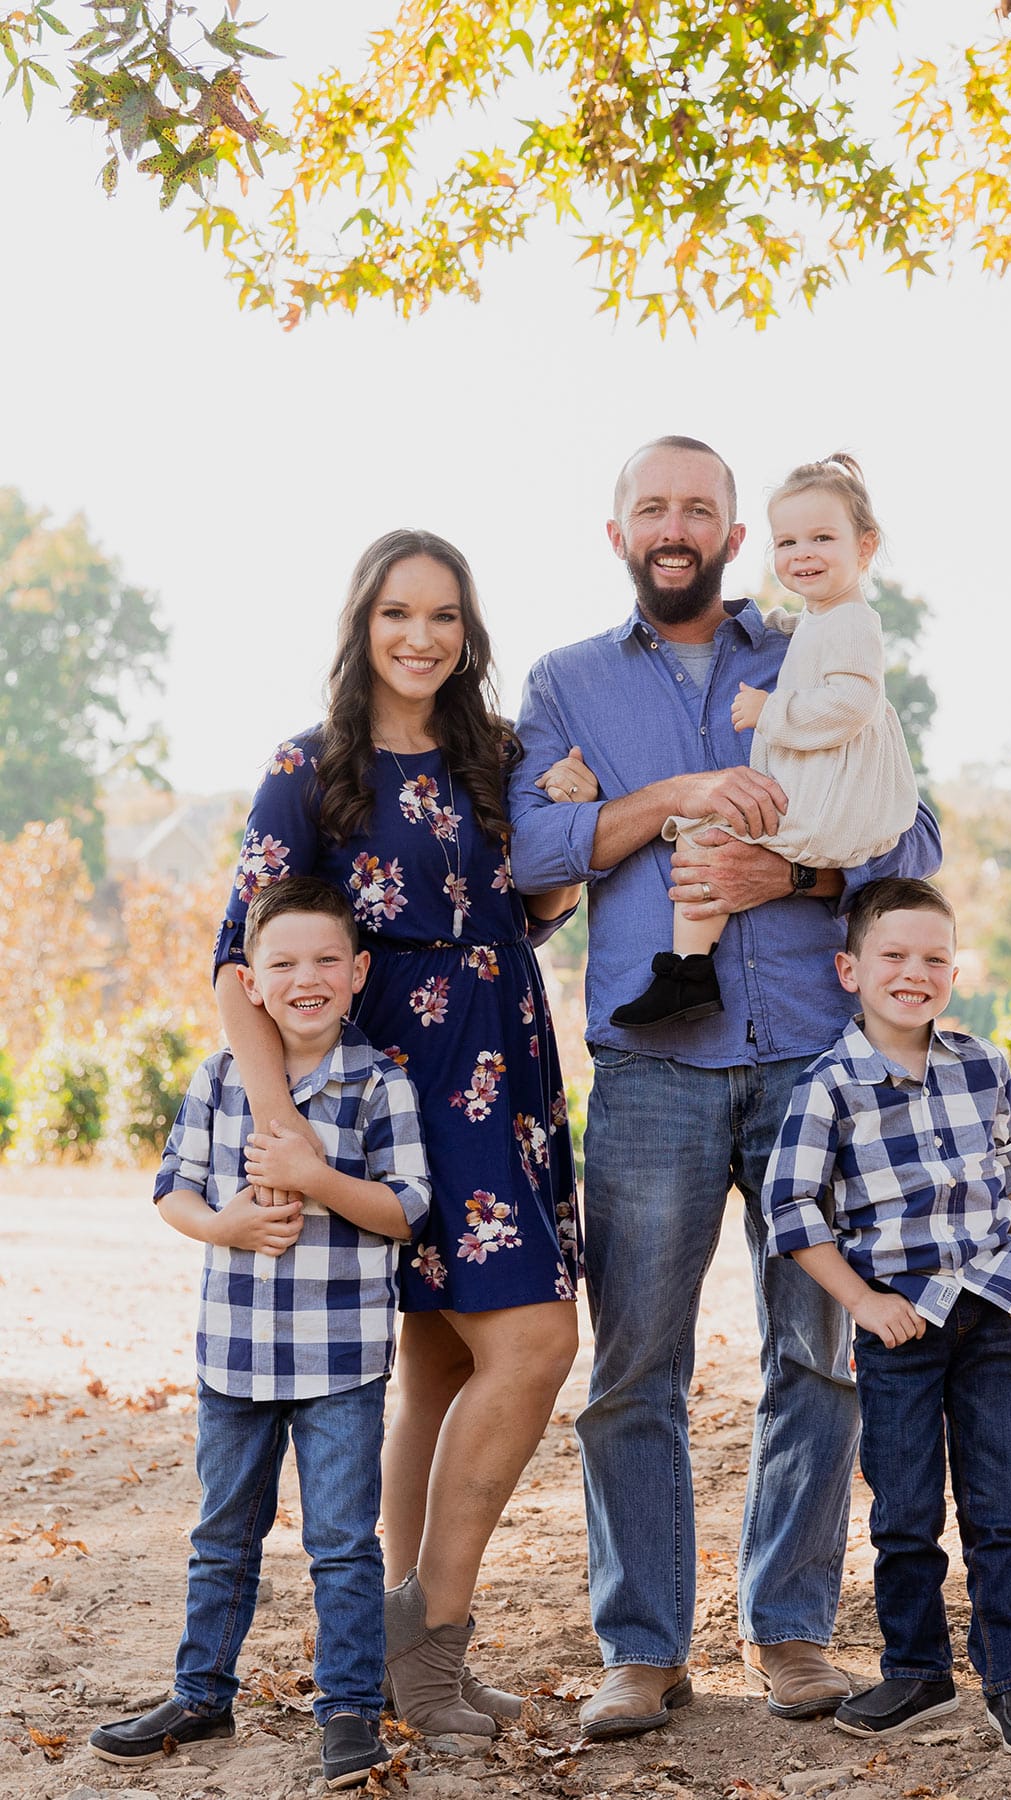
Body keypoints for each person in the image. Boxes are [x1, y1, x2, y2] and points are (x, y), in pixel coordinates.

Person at [508, 436, 943, 1739]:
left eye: (702, 507)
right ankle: (642, 1649)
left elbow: (912, 837)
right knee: (636, 1364)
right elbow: (532, 844)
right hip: (653, 1073)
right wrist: (676, 797)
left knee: (818, 1353)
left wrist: (797, 879)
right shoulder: (567, 682)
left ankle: (792, 1631)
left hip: (814, 1063)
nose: (677, 525)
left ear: (736, 534)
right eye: (656, 506)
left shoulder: (819, 646)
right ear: (619, 532)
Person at [211, 530, 583, 1738]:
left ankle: (385, 1648)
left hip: (508, 1067)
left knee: (441, 1360)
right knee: (532, 1338)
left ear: (469, 635)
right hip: (395, 1090)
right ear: (361, 621)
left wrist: (568, 836)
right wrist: (289, 1132)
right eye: (398, 612)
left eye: (445, 617)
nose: (421, 636)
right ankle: (429, 1639)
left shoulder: (496, 756)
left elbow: (528, 902)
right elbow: (235, 963)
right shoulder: (309, 765)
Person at [89, 878, 432, 1790]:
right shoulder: (218, 1078)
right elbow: (172, 1188)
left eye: (327, 960)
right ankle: (202, 1694)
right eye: (283, 963)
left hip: (341, 1358)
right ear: (249, 979)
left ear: (358, 972)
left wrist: (313, 1177)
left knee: (343, 1542)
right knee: (222, 1534)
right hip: (234, 1352)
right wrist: (224, 1226)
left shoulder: (380, 1083)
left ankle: (349, 1710)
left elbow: (407, 1210)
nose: (306, 978)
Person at [761, 876, 1011, 1757]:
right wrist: (863, 1302)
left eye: (934, 957)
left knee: (1000, 1509)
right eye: (893, 955)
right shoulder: (829, 1087)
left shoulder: (983, 1064)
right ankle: (918, 1669)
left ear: (955, 970)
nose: (915, 972)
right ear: (848, 968)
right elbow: (794, 1215)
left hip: (992, 1324)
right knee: (903, 1509)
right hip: (900, 1333)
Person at [613, 453, 918, 1029]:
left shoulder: (854, 623)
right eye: (787, 542)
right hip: (826, 797)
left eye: (822, 537)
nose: (801, 554)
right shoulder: (827, 620)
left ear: (866, 546)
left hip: (830, 806)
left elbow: (852, 705)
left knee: (705, 832)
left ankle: (687, 974)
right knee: (709, 834)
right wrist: (787, 627)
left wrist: (769, 710)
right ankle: (689, 971)